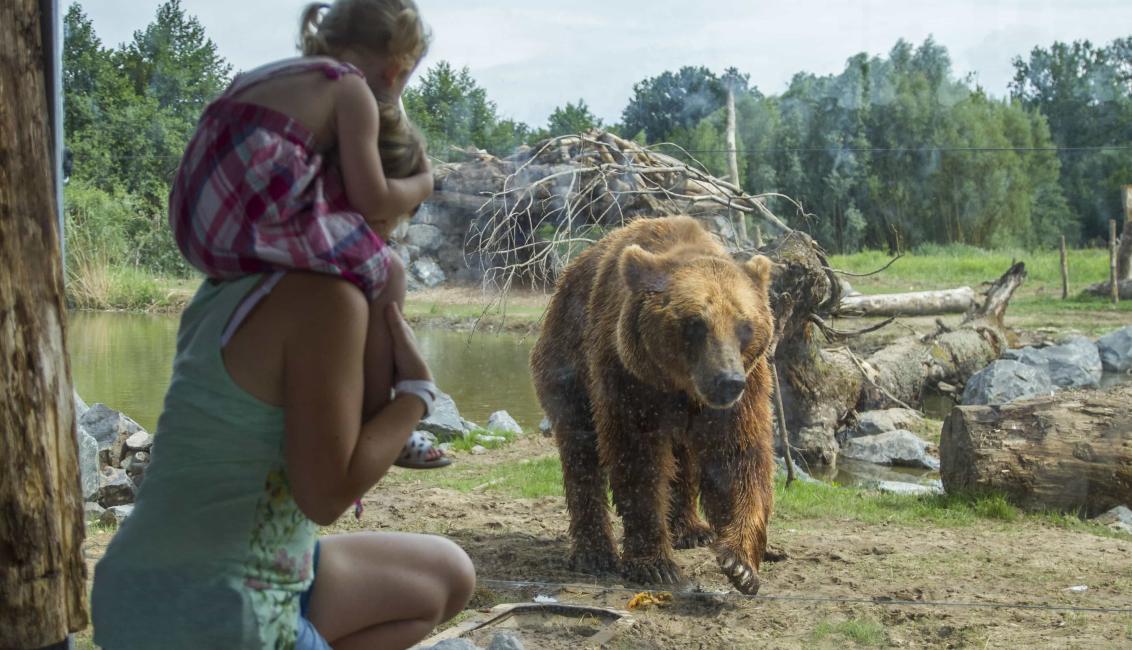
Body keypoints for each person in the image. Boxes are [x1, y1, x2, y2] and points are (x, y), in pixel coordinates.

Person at [91, 2, 475, 648]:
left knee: (447, 575)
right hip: (218, 611)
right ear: (354, 193)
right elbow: (324, 497)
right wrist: (413, 399)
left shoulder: (227, 286)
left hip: (139, 587)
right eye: (394, 230)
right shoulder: (328, 302)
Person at [169, 0, 447, 468]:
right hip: (254, 217)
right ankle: (377, 417)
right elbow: (371, 199)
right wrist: (425, 182)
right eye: (402, 78)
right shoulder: (350, 87)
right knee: (388, 271)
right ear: (396, 65)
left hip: (200, 220)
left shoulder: (276, 75)